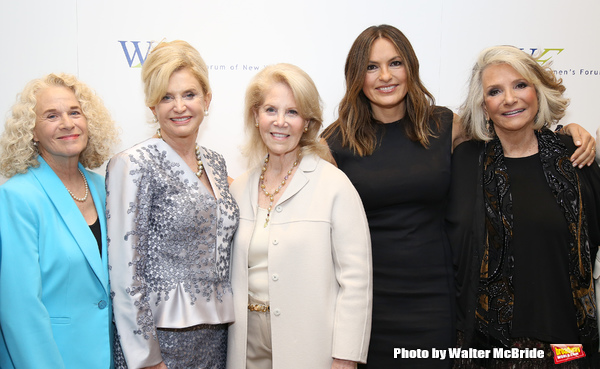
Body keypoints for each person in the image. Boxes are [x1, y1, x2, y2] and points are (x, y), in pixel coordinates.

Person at [321, 24, 597, 369]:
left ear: (410, 67)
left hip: (437, 299)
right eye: (371, 66)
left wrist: (568, 131)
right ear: (356, 76)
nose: (385, 76)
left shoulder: (446, 126)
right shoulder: (332, 143)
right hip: (367, 300)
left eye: (395, 63)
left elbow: (510, 125)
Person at [447, 45, 600, 369]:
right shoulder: (464, 162)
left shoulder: (574, 157)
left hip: (566, 346)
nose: (509, 98)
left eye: (520, 85)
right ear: (484, 106)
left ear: (537, 91)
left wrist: (574, 132)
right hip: (488, 349)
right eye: (495, 91)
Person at [226, 63, 372, 369]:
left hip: (309, 344)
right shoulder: (239, 189)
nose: (280, 122)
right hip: (245, 344)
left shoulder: (334, 185)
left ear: (307, 122)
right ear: (256, 116)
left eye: (292, 112)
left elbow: (356, 282)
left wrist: (345, 358)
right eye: (270, 110)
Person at [106, 40, 239, 369]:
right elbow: (124, 272)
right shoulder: (133, 163)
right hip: (160, 340)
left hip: (216, 336)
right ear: (152, 107)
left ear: (207, 99)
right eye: (166, 97)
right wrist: (146, 358)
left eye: (189, 95)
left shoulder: (217, 163)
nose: (179, 106)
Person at [0, 73, 118, 368]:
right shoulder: (17, 197)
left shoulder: (106, 188)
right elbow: (19, 309)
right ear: (33, 131)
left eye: (74, 112)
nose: (67, 123)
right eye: (51, 116)